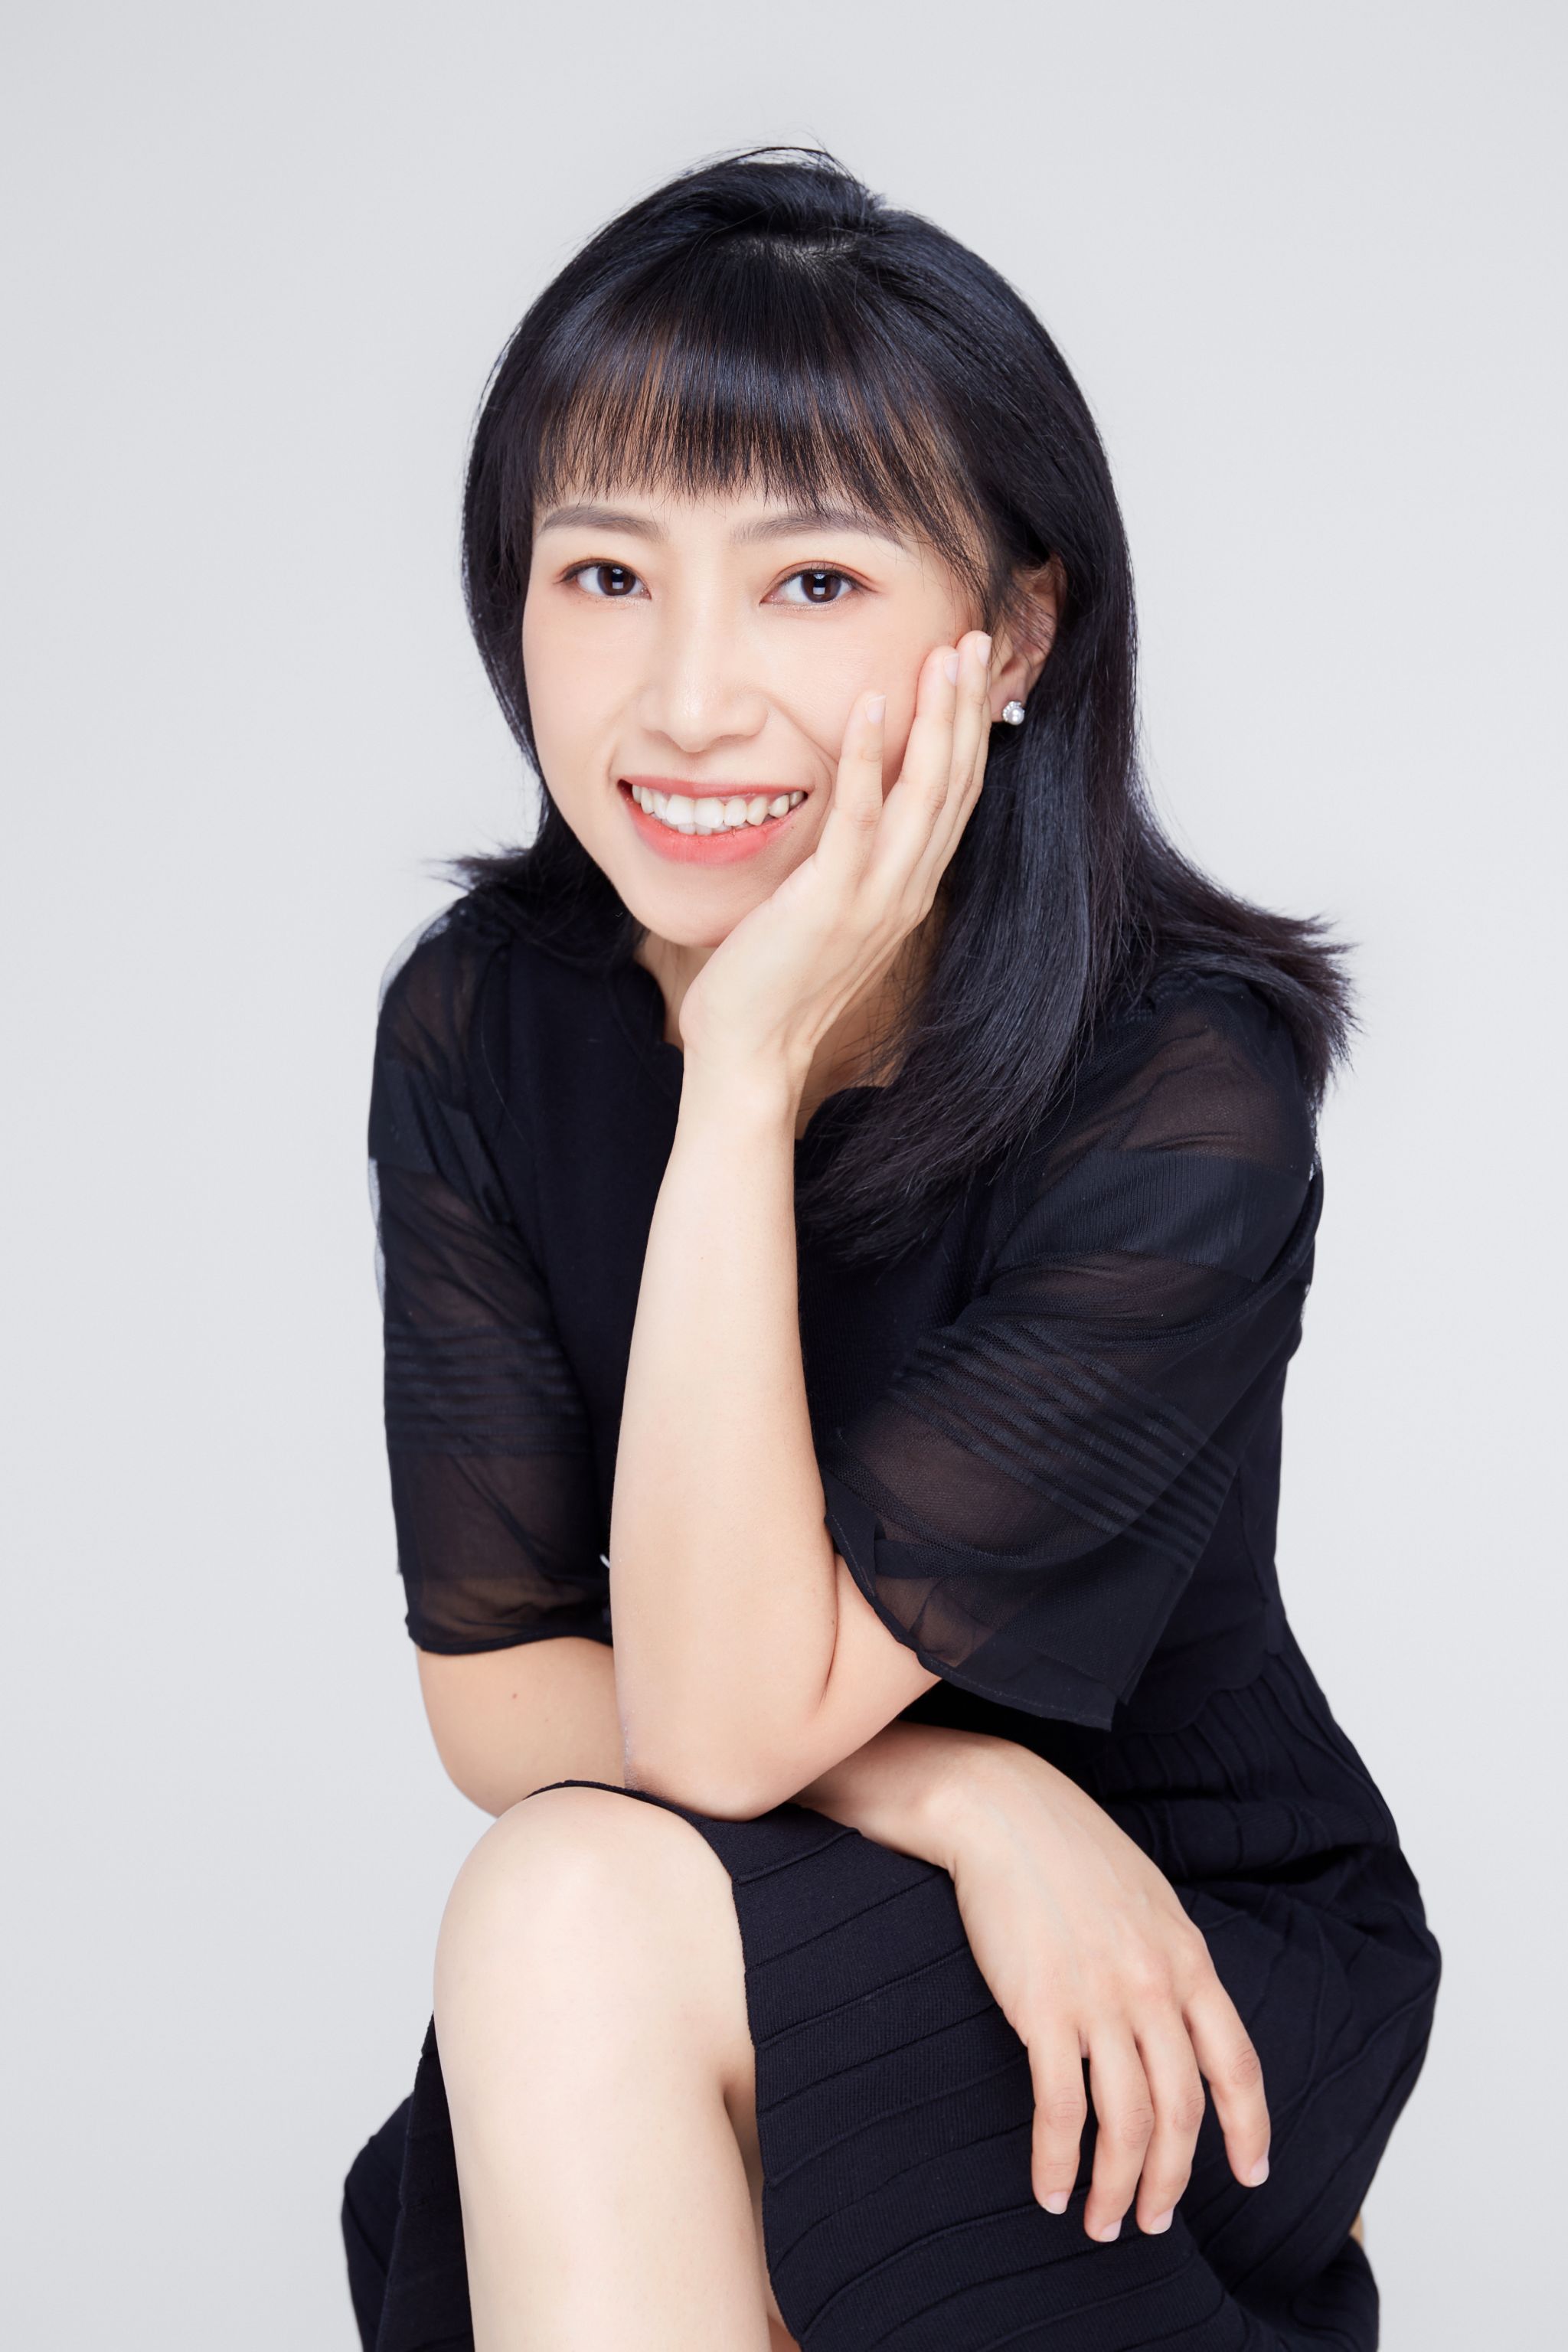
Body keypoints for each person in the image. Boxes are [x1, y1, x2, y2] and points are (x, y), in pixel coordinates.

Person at [341, 148, 1440, 2352]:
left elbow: (715, 1728)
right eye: (606, 572)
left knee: (570, 1918)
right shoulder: (487, 1017)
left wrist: (741, 1069)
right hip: (774, 1869)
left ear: (1014, 634)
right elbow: (499, 1689)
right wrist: (962, 1793)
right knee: (569, 1899)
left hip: (1169, 1943)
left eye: (814, 583)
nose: (686, 701)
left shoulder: (1181, 1085)